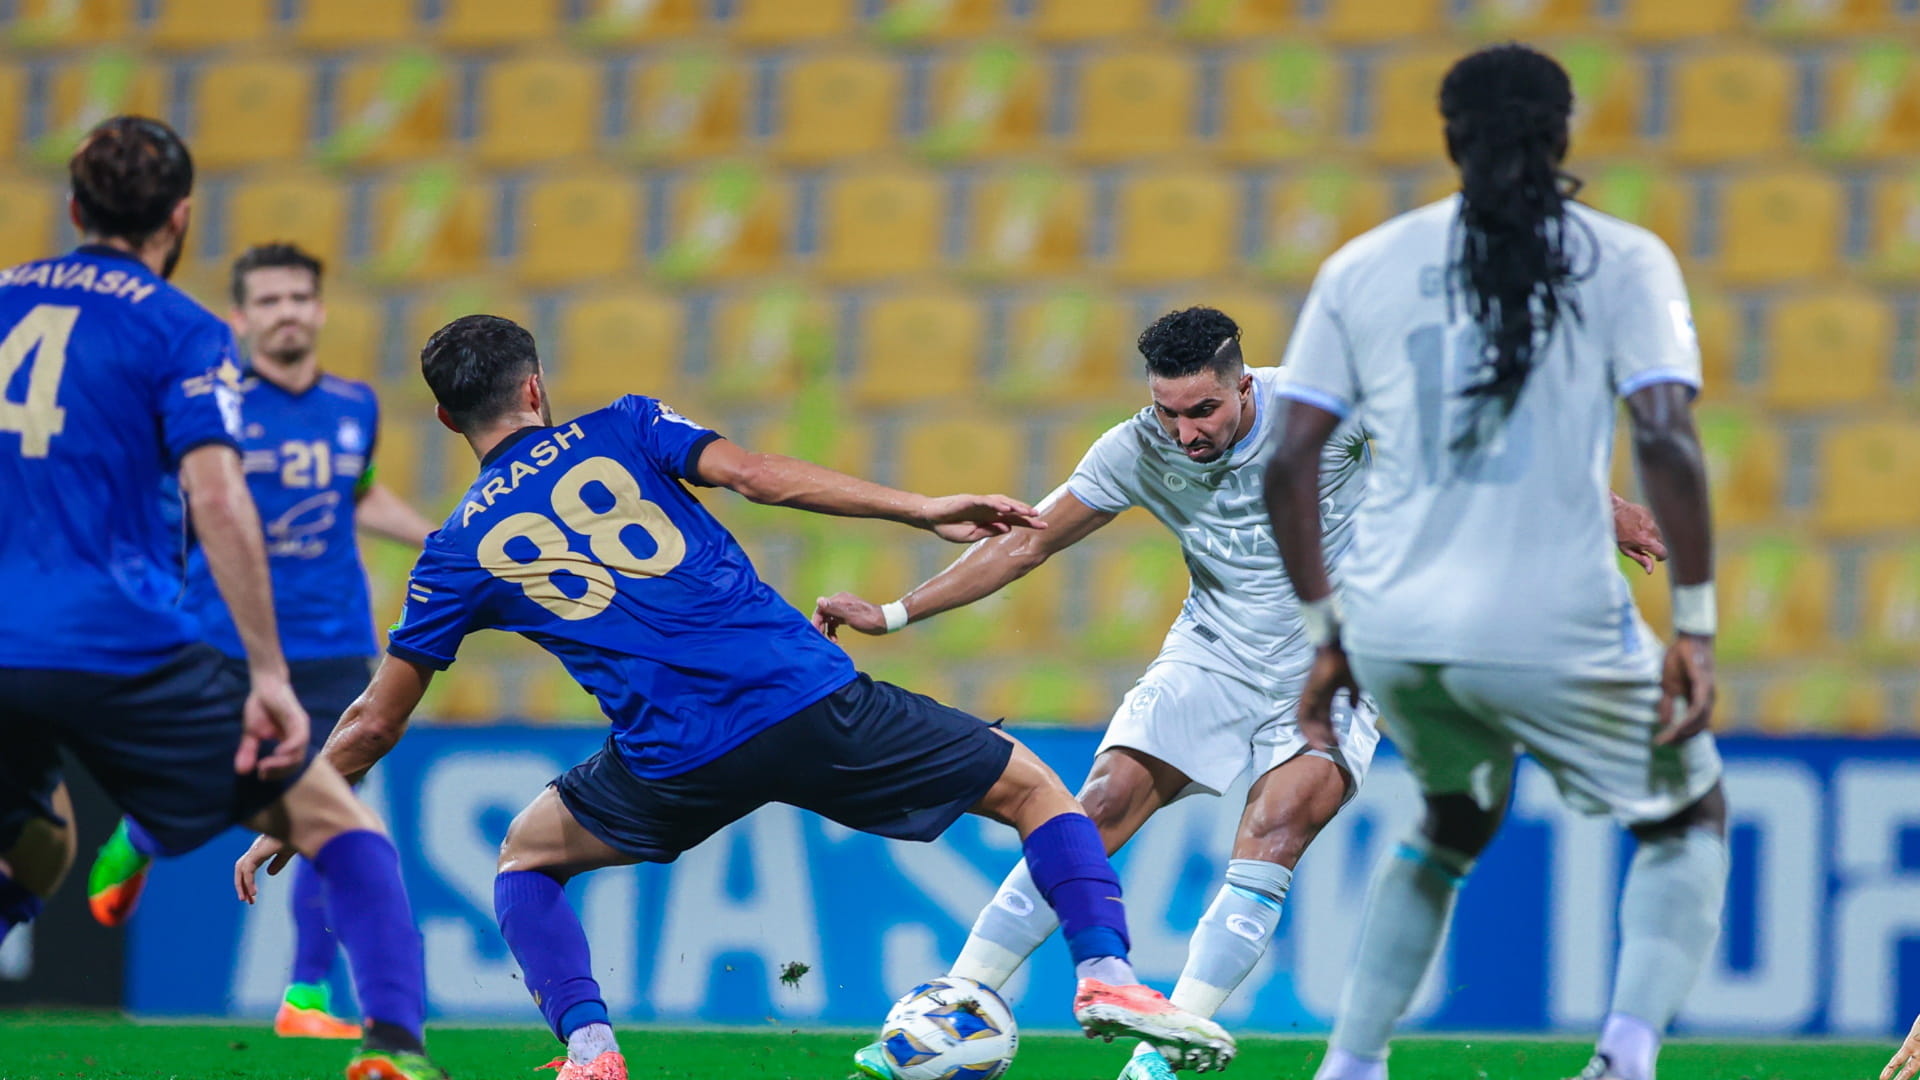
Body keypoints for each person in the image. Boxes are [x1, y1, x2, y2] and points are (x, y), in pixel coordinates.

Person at [234, 314, 1238, 1080]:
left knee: (525, 859)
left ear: (449, 418)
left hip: (672, 757)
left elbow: (376, 719)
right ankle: (1104, 968)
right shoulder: (625, 425)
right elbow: (759, 477)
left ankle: (590, 1050)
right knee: (1033, 791)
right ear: (537, 386)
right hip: (802, 696)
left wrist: (302, 809)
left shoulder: (454, 552)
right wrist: (920, 505)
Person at [817, 305, 1668, 1080]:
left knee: (1277, 827)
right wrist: (895, 612)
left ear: (1243, 384)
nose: (1184, 432)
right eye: (1168, 411)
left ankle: (1158, 1062)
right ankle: (955, 1007)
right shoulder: (1134, 447)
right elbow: (1025, 545)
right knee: (1099, 804)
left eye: (1203, 411)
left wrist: (1609, 507)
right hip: (1214, 653)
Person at [1259, 45, 1726, 1080]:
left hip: (1393, 630)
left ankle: (1352, 1062)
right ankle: (1626, 1058)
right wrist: (1693, 622)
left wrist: (1327, 638)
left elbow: (1288, 465)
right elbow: (1664, 434)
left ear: (1448, 140)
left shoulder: (1362, 266)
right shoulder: (1624, 258)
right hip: (1552, 621)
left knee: (1455, 816)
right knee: (1689, 812)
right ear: (1563, 138)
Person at [0, 116, 445, 1080]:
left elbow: (354, 490)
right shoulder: (185, 332)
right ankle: (397, 1050)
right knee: (343, 827)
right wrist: (269, 672)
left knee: (36, 842)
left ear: (73, 207)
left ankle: (304, 995)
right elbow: (217, 493)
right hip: (125, 641)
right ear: (182, 219)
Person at [86, 242, 438, 1041]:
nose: (286, 312)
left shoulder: (355, 404)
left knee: (336, 811)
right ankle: (135, 839)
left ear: (318, 309)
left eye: (298, 298)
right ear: (241, 319)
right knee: (206, 789)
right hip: (226, 639)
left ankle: (304, 999)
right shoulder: (212, 405)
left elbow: (358, 495)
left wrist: (441, 539)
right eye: (269, 301)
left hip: (336, 642)